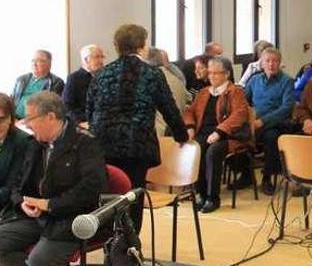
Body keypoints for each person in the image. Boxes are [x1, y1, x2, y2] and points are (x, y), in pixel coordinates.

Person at [0, 91, 107, 266]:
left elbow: (91, 189)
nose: (25, 123)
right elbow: (18, 184)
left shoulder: (85, 143)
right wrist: (23, 202)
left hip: (71, 218)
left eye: (30, 118)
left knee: (40, 262)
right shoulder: (35, 144)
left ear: (50, 117)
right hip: (36, 216)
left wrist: (50, 204)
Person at [86, 24, 188, 233]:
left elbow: (90, 110)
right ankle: (130, 249)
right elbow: (169, 109)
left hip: (104, 146)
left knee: (110, 199)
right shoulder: (152, 74)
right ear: (142, 47)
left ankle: (111, 246)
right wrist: (181, 135)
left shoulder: (102, 74)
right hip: (136, 146)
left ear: (117, 47)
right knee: (133, 197)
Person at [183, 57, 251, 214]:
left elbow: (239, 115)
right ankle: (200, 193)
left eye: (216, 73)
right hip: (204, 133)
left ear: (226, 74)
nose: (211, 76)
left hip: (228, 136)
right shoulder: (203, 92)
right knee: (195, 149)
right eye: (210, 73)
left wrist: (220, 131)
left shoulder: (235, 92)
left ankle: (213, 198)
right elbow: (189, 111)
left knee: (213, 152)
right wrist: (190, 127)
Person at [244, 47, 297, 195]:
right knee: (236, 133)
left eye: (275, 61)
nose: (271, 64)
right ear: (262, 63)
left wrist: (263, 121)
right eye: (267, 61)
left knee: (271, 137)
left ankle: (267, 178)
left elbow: (286, 108)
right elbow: (244, 101)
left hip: (277, 124)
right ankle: (245, 175)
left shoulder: (287, 81)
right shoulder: (254, 80)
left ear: (280, 63)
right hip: (254, 123)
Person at [0, 93, 31, 217]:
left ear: (11, 119)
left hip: (7, 207)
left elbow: (11, 187)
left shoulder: (23, 142)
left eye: (1, 119)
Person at [11, 50, 65, 118]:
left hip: (36, 119)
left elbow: (51, 107)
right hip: (14, 118)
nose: (34, 63)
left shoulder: (56, 82)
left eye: (39, 61)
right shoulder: (21, 80)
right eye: (33, 61)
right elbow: (11, 100)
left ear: (49, 64)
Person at [63, 45, 105, 124]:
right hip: (83, 122)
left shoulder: (106, 76)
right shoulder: (74, 78)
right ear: (86, 60)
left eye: (102, 57)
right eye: (97, 57)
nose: (101, 61)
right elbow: (66, 107)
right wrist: (79, 122)